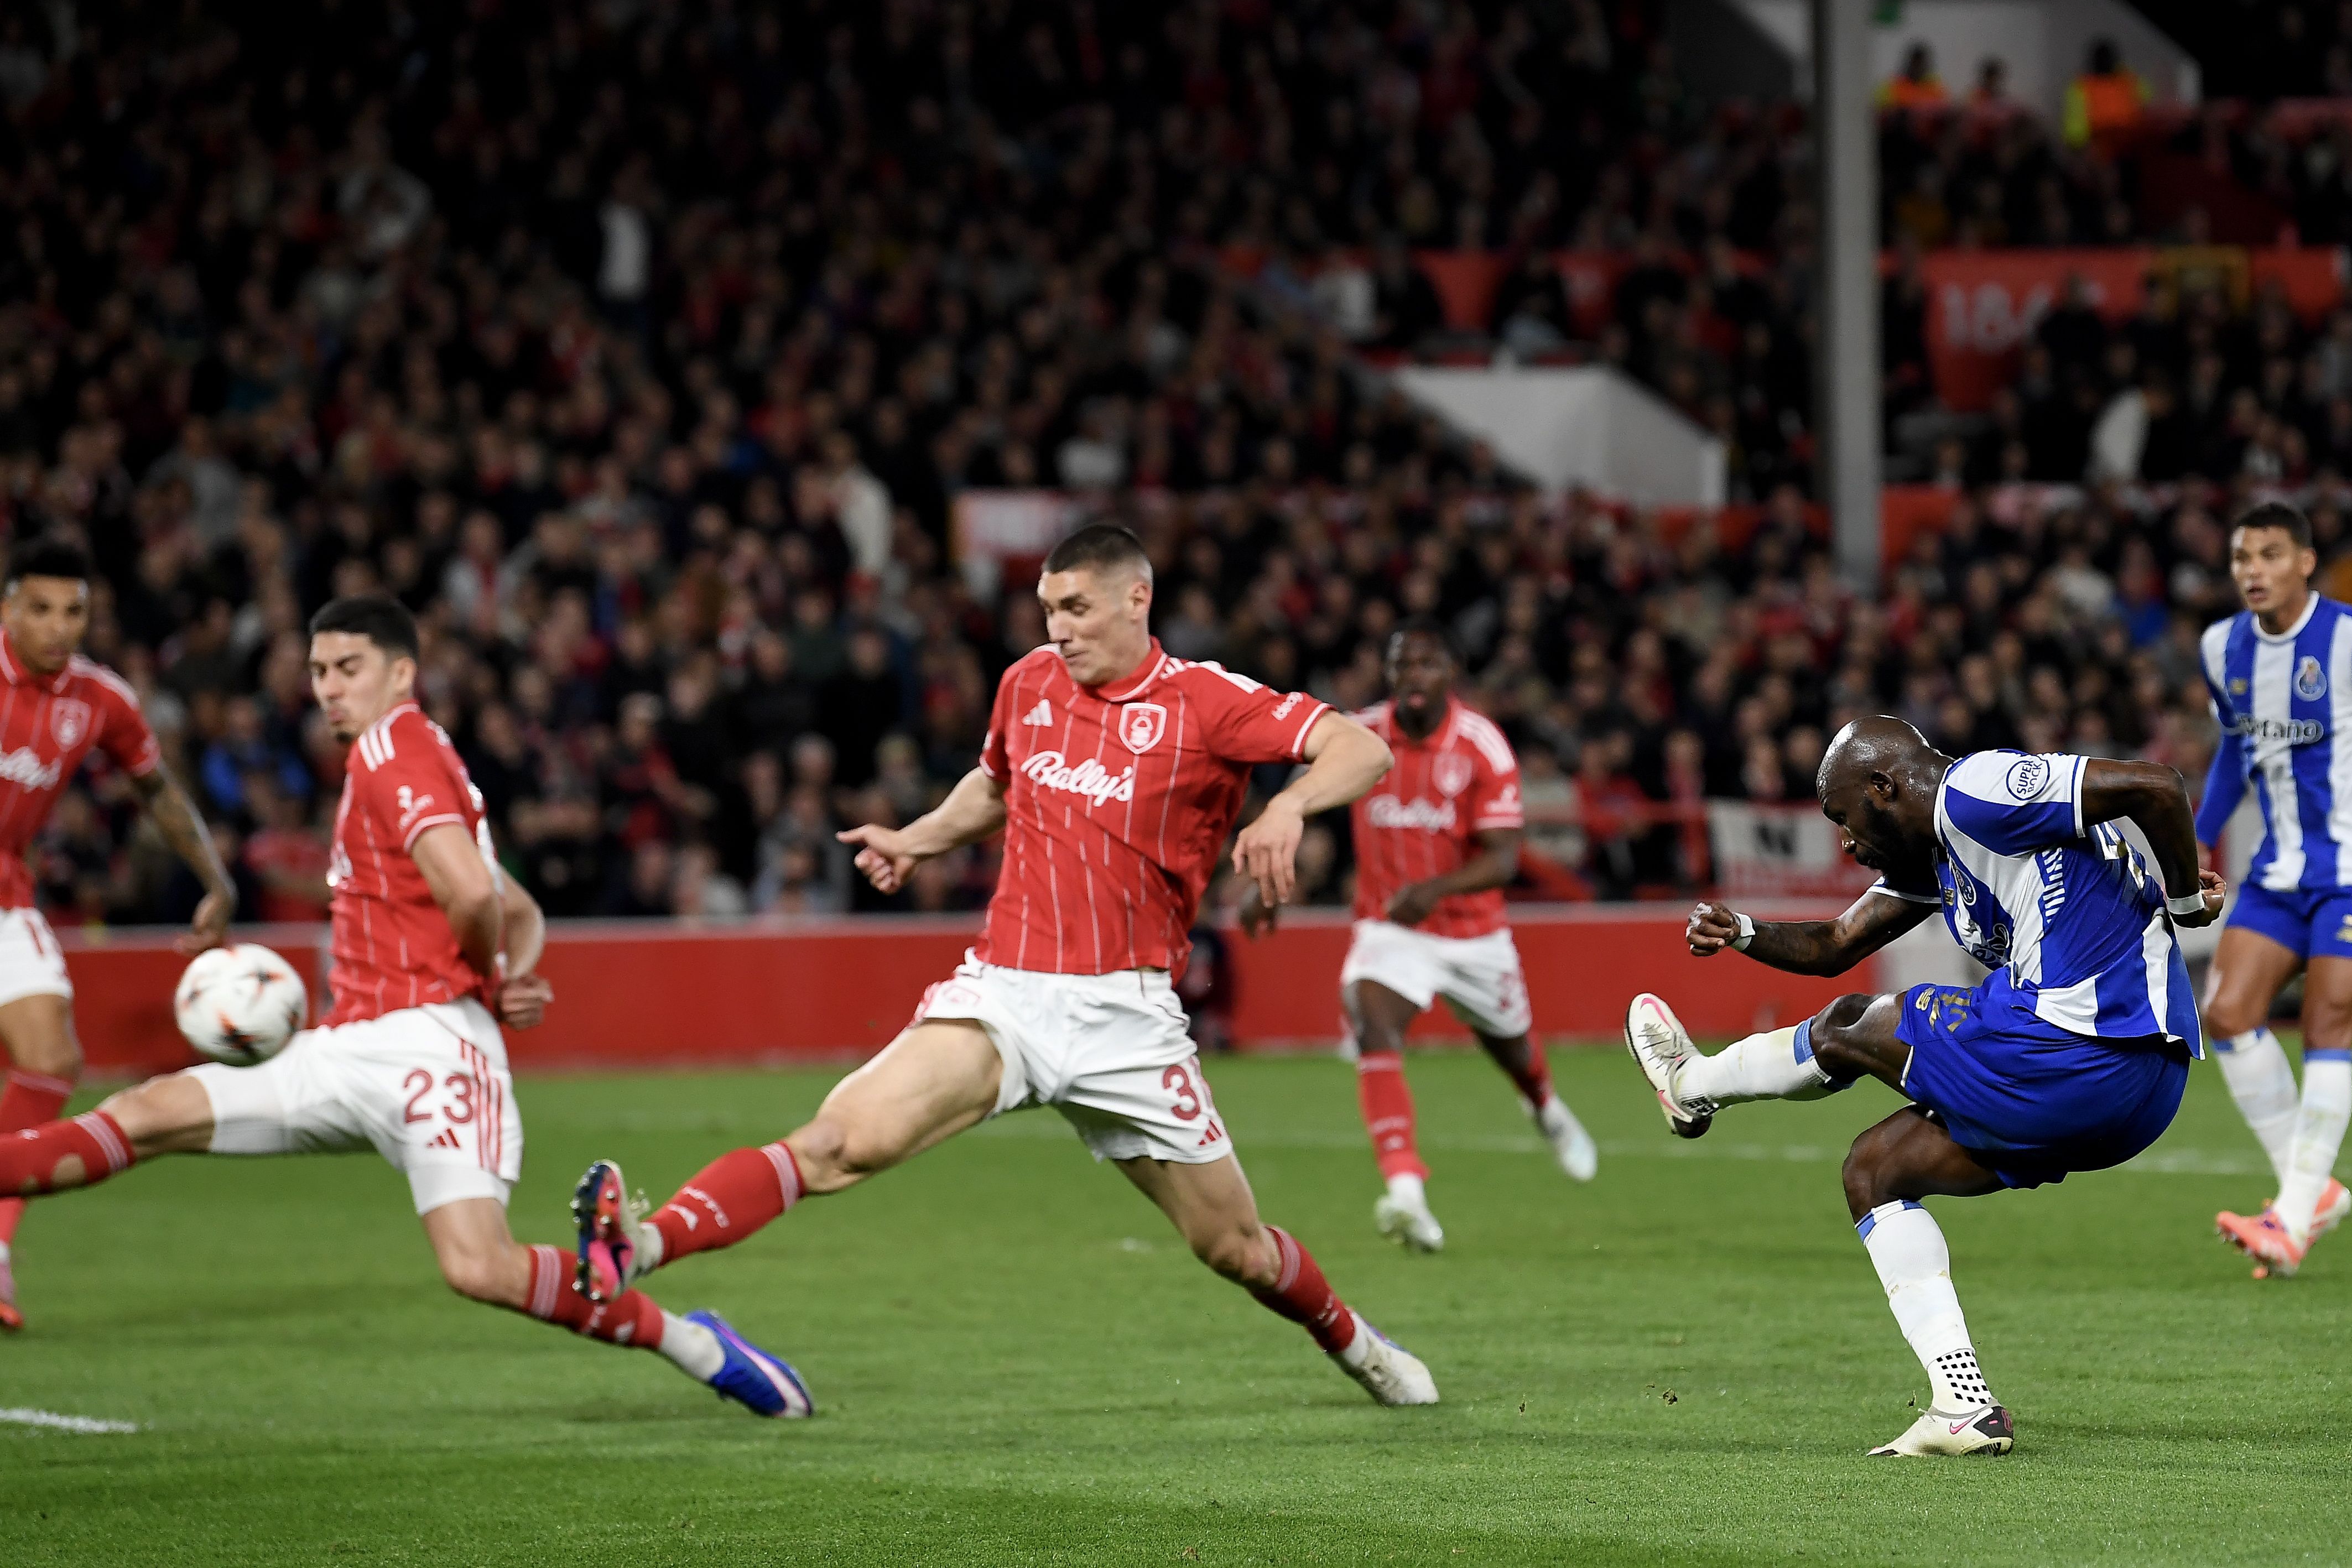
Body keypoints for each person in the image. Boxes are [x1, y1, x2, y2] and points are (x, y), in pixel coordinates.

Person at [567, 524, 1439, 1407]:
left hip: (1128, 1017)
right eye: (1048, 609)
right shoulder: (1028, 683)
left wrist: (1288, 808)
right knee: (836, 1145)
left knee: (1236, 1250)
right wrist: (916, 840)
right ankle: (640, 1245)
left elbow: (1361, 749)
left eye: (1076, 608)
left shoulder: (1206, 701)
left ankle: (1357, 1345)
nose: (1058, 628)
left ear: (1137, 599)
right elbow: (994, 787)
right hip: (1007, 994)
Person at [0, 595, 809, 1416]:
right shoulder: (411, 756)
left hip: (431, 1049)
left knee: (480, 1268)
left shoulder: (394, 748)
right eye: (317, 671)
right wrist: (509, 968)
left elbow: (470, 894)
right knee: (144, 1113)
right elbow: (516, 908)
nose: (327, 689)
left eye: (348, 669)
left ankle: (698, 1343)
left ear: (402, 673)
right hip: (348, 1046)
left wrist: (487, 981)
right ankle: (698, 1342)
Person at [1633, 716, 2220, 1456]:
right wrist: (1745, 931)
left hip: (2075, 1047)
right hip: (2140, 1092)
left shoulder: (1972, 792)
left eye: (1845, 818)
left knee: (1851, 1025)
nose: (1845, 843)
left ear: (1885, 787)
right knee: (1876, 1170)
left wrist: (2186, 903)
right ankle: (1962, 1406)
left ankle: (1692, 1085)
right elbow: (1836, 945)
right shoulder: (1941, 856)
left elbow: (2155, 785)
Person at [1244, 618, 1593, 1254]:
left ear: (1450, 675)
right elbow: (1301, 809)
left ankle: (1544, 1106)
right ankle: (1407, 1193)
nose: (1413, 677)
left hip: (1472, 936)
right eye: (1402, 664)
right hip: (1391, 930)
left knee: (1513, 1051)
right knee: (1371, 1019)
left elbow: (1506, 857)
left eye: (1427, 665)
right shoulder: (1359, 736)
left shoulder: (1482, 745)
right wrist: (1271, 883)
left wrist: (1434, 891)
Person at [2193, 501, 2352, 1278]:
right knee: (2226, 1014)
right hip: (2278, 871)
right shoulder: (2221, 647)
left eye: (2270, 555)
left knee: (2326, 1019)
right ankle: (2312, 1193)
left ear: (2305, 561)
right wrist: (2200, 837)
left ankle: (2292, 1220)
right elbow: (2234, 754)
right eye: (2242, 557)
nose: (2253, 571)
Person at [0, 537, 236, 1332]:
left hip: (6, 894)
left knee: (52, 1058)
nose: (58, 626)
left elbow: (158, 790)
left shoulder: (99, 698)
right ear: (8, 608)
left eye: (74, 611)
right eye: (40, 608)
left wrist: (215, 879)